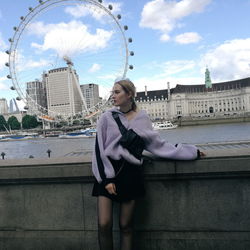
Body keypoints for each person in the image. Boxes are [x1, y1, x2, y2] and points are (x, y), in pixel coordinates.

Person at [91, 78, 205, 250]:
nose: (112, 96)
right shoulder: (106, 118)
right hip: (108, 171)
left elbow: (158, 145)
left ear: (129, 94)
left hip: (130, 173)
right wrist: (106, 179)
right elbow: (99, 149)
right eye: (112, 92)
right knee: (104, 224)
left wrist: (191, 151)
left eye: (117, 92)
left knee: (126, 226)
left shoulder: (142, 118)